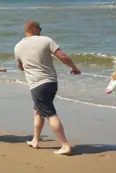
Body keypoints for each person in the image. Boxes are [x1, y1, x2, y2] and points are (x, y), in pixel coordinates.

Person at [14, 20, 80, 155]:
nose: (41, 31)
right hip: (51, 82)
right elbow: (62, 56)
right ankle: (35, 140)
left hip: (37, 84)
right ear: (35, 29)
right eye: (40, 29)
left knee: (49, 114)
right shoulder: (46, 40)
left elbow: (20, 67)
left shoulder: (18, 47)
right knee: (38, 111)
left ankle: (65, 145)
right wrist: (74, 67)